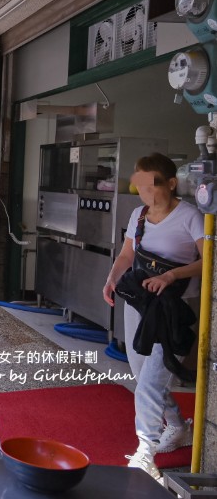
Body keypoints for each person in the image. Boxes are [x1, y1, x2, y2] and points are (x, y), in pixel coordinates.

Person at [101, 153, 204, 481]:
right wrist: (111, 278)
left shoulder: (191, 215)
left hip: (173, 308)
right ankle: (176, 425)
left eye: (151, 185)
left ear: (171, 183)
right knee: (141, 371)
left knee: (150, 380)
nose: (145, 192)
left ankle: (145, 451)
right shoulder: (138, 215)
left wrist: (172, 276)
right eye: (139, 186)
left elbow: (209, 260)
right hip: (140, 303)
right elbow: (127, 254)